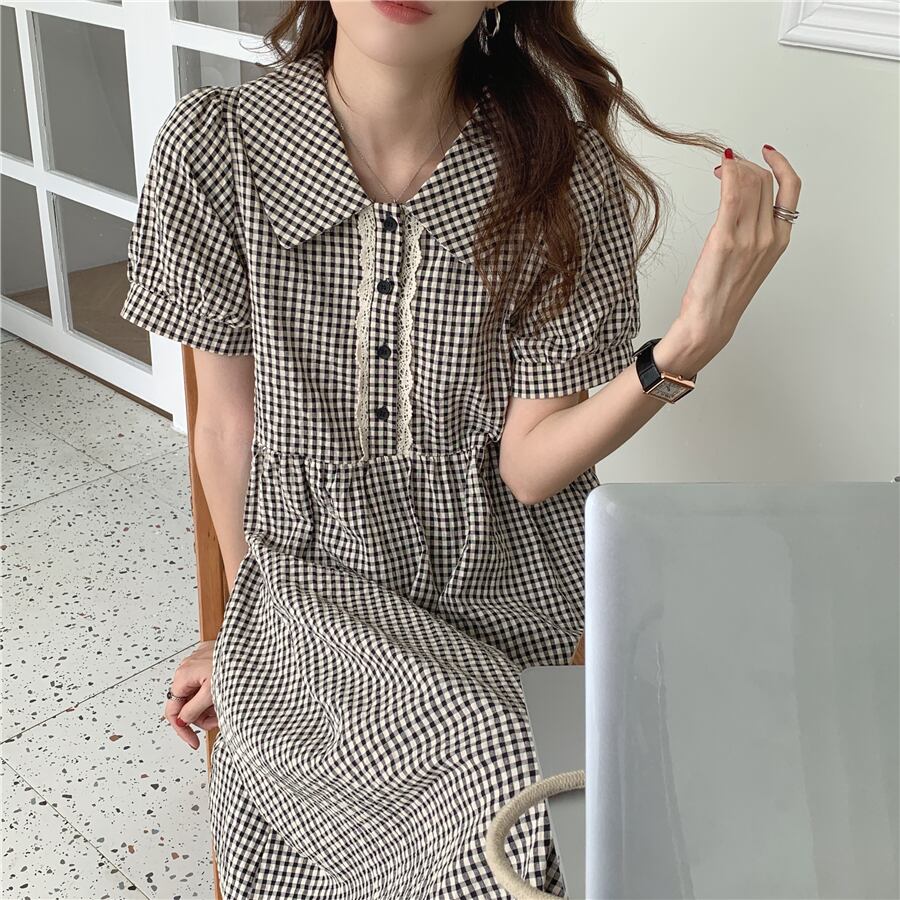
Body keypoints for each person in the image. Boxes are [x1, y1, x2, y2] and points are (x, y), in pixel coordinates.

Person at [120, 1, 801, 896]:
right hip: (306, 580)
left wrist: (685, 348)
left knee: (548, 806)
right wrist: (244, 636)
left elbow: (528, 467)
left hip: (499, 583)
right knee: (513, 776)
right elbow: (224, 427)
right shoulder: (218, 148)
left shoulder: (557, 170)